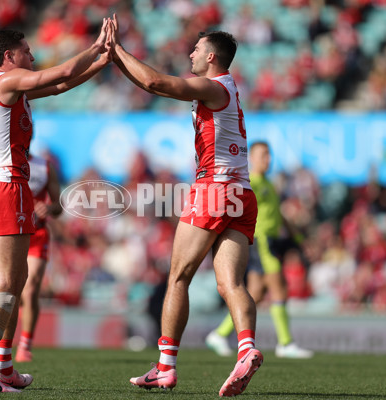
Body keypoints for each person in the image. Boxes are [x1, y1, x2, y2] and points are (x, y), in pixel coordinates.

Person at [108, 15, 263, 397]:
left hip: (213, 189)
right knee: (232, 284)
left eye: (196, 49)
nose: (190, 52)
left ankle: (165, 368)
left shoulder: (212, 87)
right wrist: (118, 61)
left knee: (178, 277)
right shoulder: (228, 88)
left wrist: (117, 50)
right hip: (241, 195)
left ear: (212, 57)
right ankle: (246, 348)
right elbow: (150, 86)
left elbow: (155, 82)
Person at [0, 22, 111, 393]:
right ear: (8, 57)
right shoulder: (7, 82)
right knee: (8, 283)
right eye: (27, 51)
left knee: (13, 283)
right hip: (6, 186)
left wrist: (97, 67)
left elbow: (60, 85)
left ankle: (5, 368)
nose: (32, 56)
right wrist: (95, 47)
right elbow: (61, 71)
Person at [206, 141, 314, 359]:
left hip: (270, 240)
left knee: (255, 293)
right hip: (261, 241)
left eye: (269, 155)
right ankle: (285, 343)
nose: (268, 159)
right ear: (252, 158)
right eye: (263, 155)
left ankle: (219, 333)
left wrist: (297, 235)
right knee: (279, 286)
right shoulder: (252, 182)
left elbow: (278, 214)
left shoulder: (268, 184)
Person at [15, 152, 62, 363]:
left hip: (37, 234)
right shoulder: (3, 160)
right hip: (11, 234)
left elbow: (58, 206)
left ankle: (25, 344)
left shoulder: (44, 167)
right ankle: (4, 346)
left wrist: (49, 208)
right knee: (12, 288)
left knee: (31, 287)